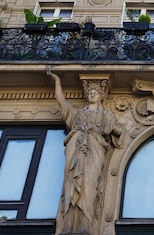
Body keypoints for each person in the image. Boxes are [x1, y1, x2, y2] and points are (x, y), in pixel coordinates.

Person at [47, 70, 124, 235]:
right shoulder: (77, 114)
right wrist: (57, 82)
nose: (92, 95)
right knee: (71, 185)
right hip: (75, 150)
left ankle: (86, 225)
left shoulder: (106, 115)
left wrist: (111, 128)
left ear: (101, 96)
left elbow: (119, 130)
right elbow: (61, 102)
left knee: (89, 186)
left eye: (95, 93)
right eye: (90, 93)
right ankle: (70, 225)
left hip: (94, 150)